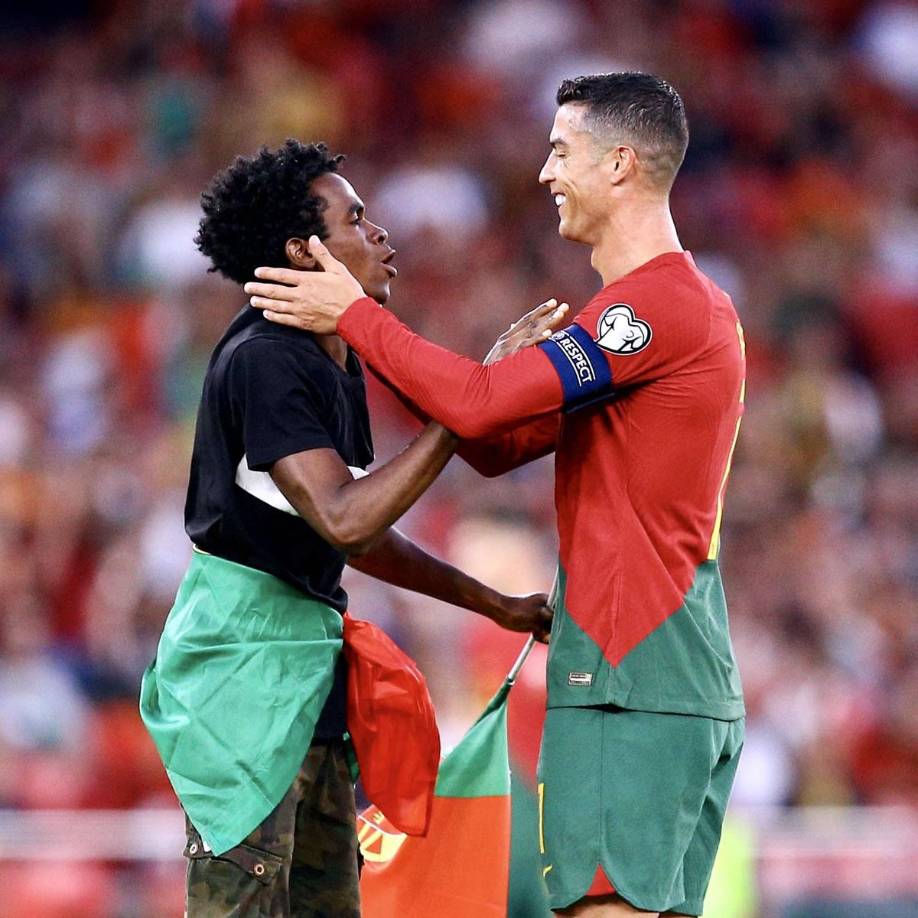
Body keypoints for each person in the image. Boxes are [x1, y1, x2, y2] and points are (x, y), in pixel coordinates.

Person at [244, 73, 746, 918]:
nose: (545, 172)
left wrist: (356, 316)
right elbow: (489, 441)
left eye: (561, 151)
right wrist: (461, 373)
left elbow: (477, 406)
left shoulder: (649, 311)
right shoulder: (670, 311)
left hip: (630, 668)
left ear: (620, 164)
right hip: (674, 669)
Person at [139, 139, 557, 918]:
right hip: (243, 682)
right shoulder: (265, 356)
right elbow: (344, 515)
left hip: (303, 680)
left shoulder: (329, 355)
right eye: (357, 220)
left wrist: (494, 604)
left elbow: (354, 537)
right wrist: (459, 414)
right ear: (305, 250)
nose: (382, 234)